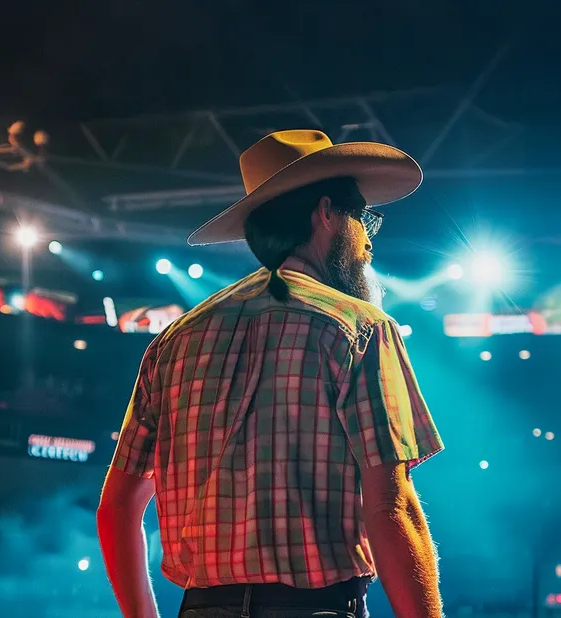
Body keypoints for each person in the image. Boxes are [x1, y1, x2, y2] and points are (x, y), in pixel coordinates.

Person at [98, 130, 444, 618]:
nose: (367, 239)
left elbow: (115, 510)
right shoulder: (360, 328)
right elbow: (391, 510)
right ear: (327, 213)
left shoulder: (173, 342)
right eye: (362, 218)